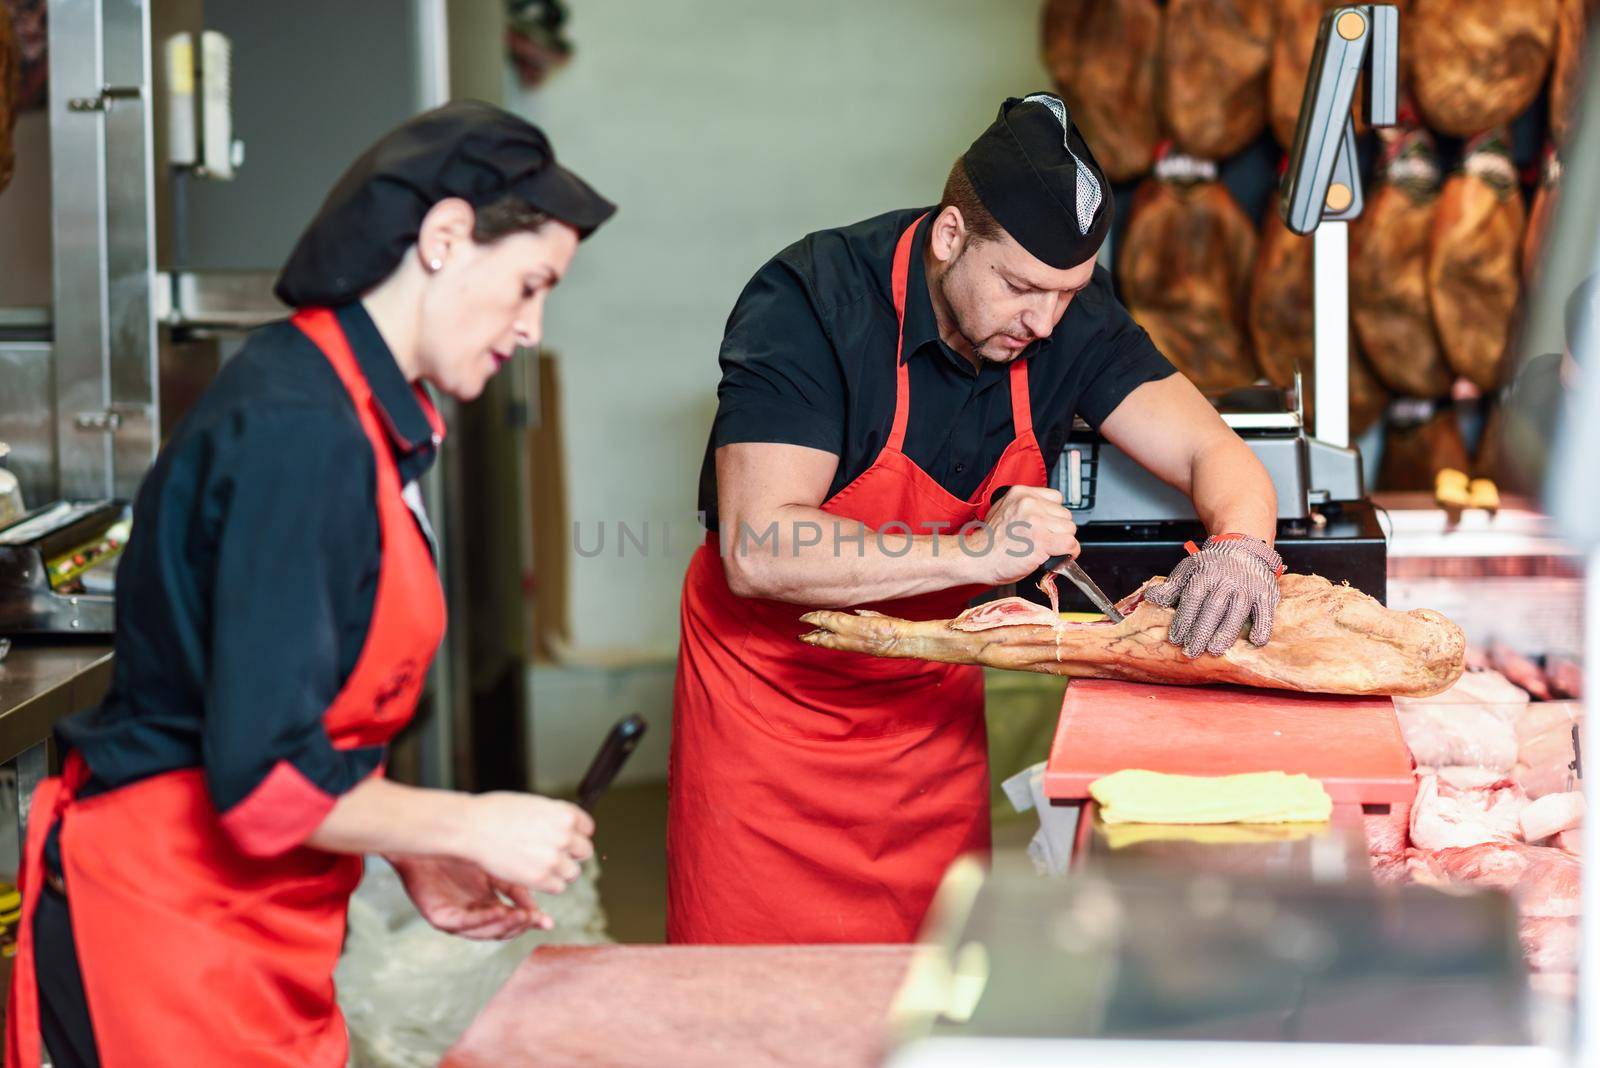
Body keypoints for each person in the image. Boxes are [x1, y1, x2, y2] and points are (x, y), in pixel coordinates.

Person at [5, 101, 615, 1068]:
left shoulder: (363, 417)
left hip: (262, 924)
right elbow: (265, 778)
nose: (532, 329)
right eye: (530, 285)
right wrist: (470, 821)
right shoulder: (302, 430)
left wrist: (409, 843)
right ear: (446, 238)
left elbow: (305, 726)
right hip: (165, 930)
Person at [669, 93, 1281, 944]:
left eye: (1066, 295)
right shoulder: (810, 303)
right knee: (757, 1010)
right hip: (772, 722)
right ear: (950, 234)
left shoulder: (1063, 312)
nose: (1043, 321)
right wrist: (973, 553)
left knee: (925, 996)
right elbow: (761, 546)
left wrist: (1243, 545)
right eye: (1021, 287)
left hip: (925, 724)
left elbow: (1213, 454)